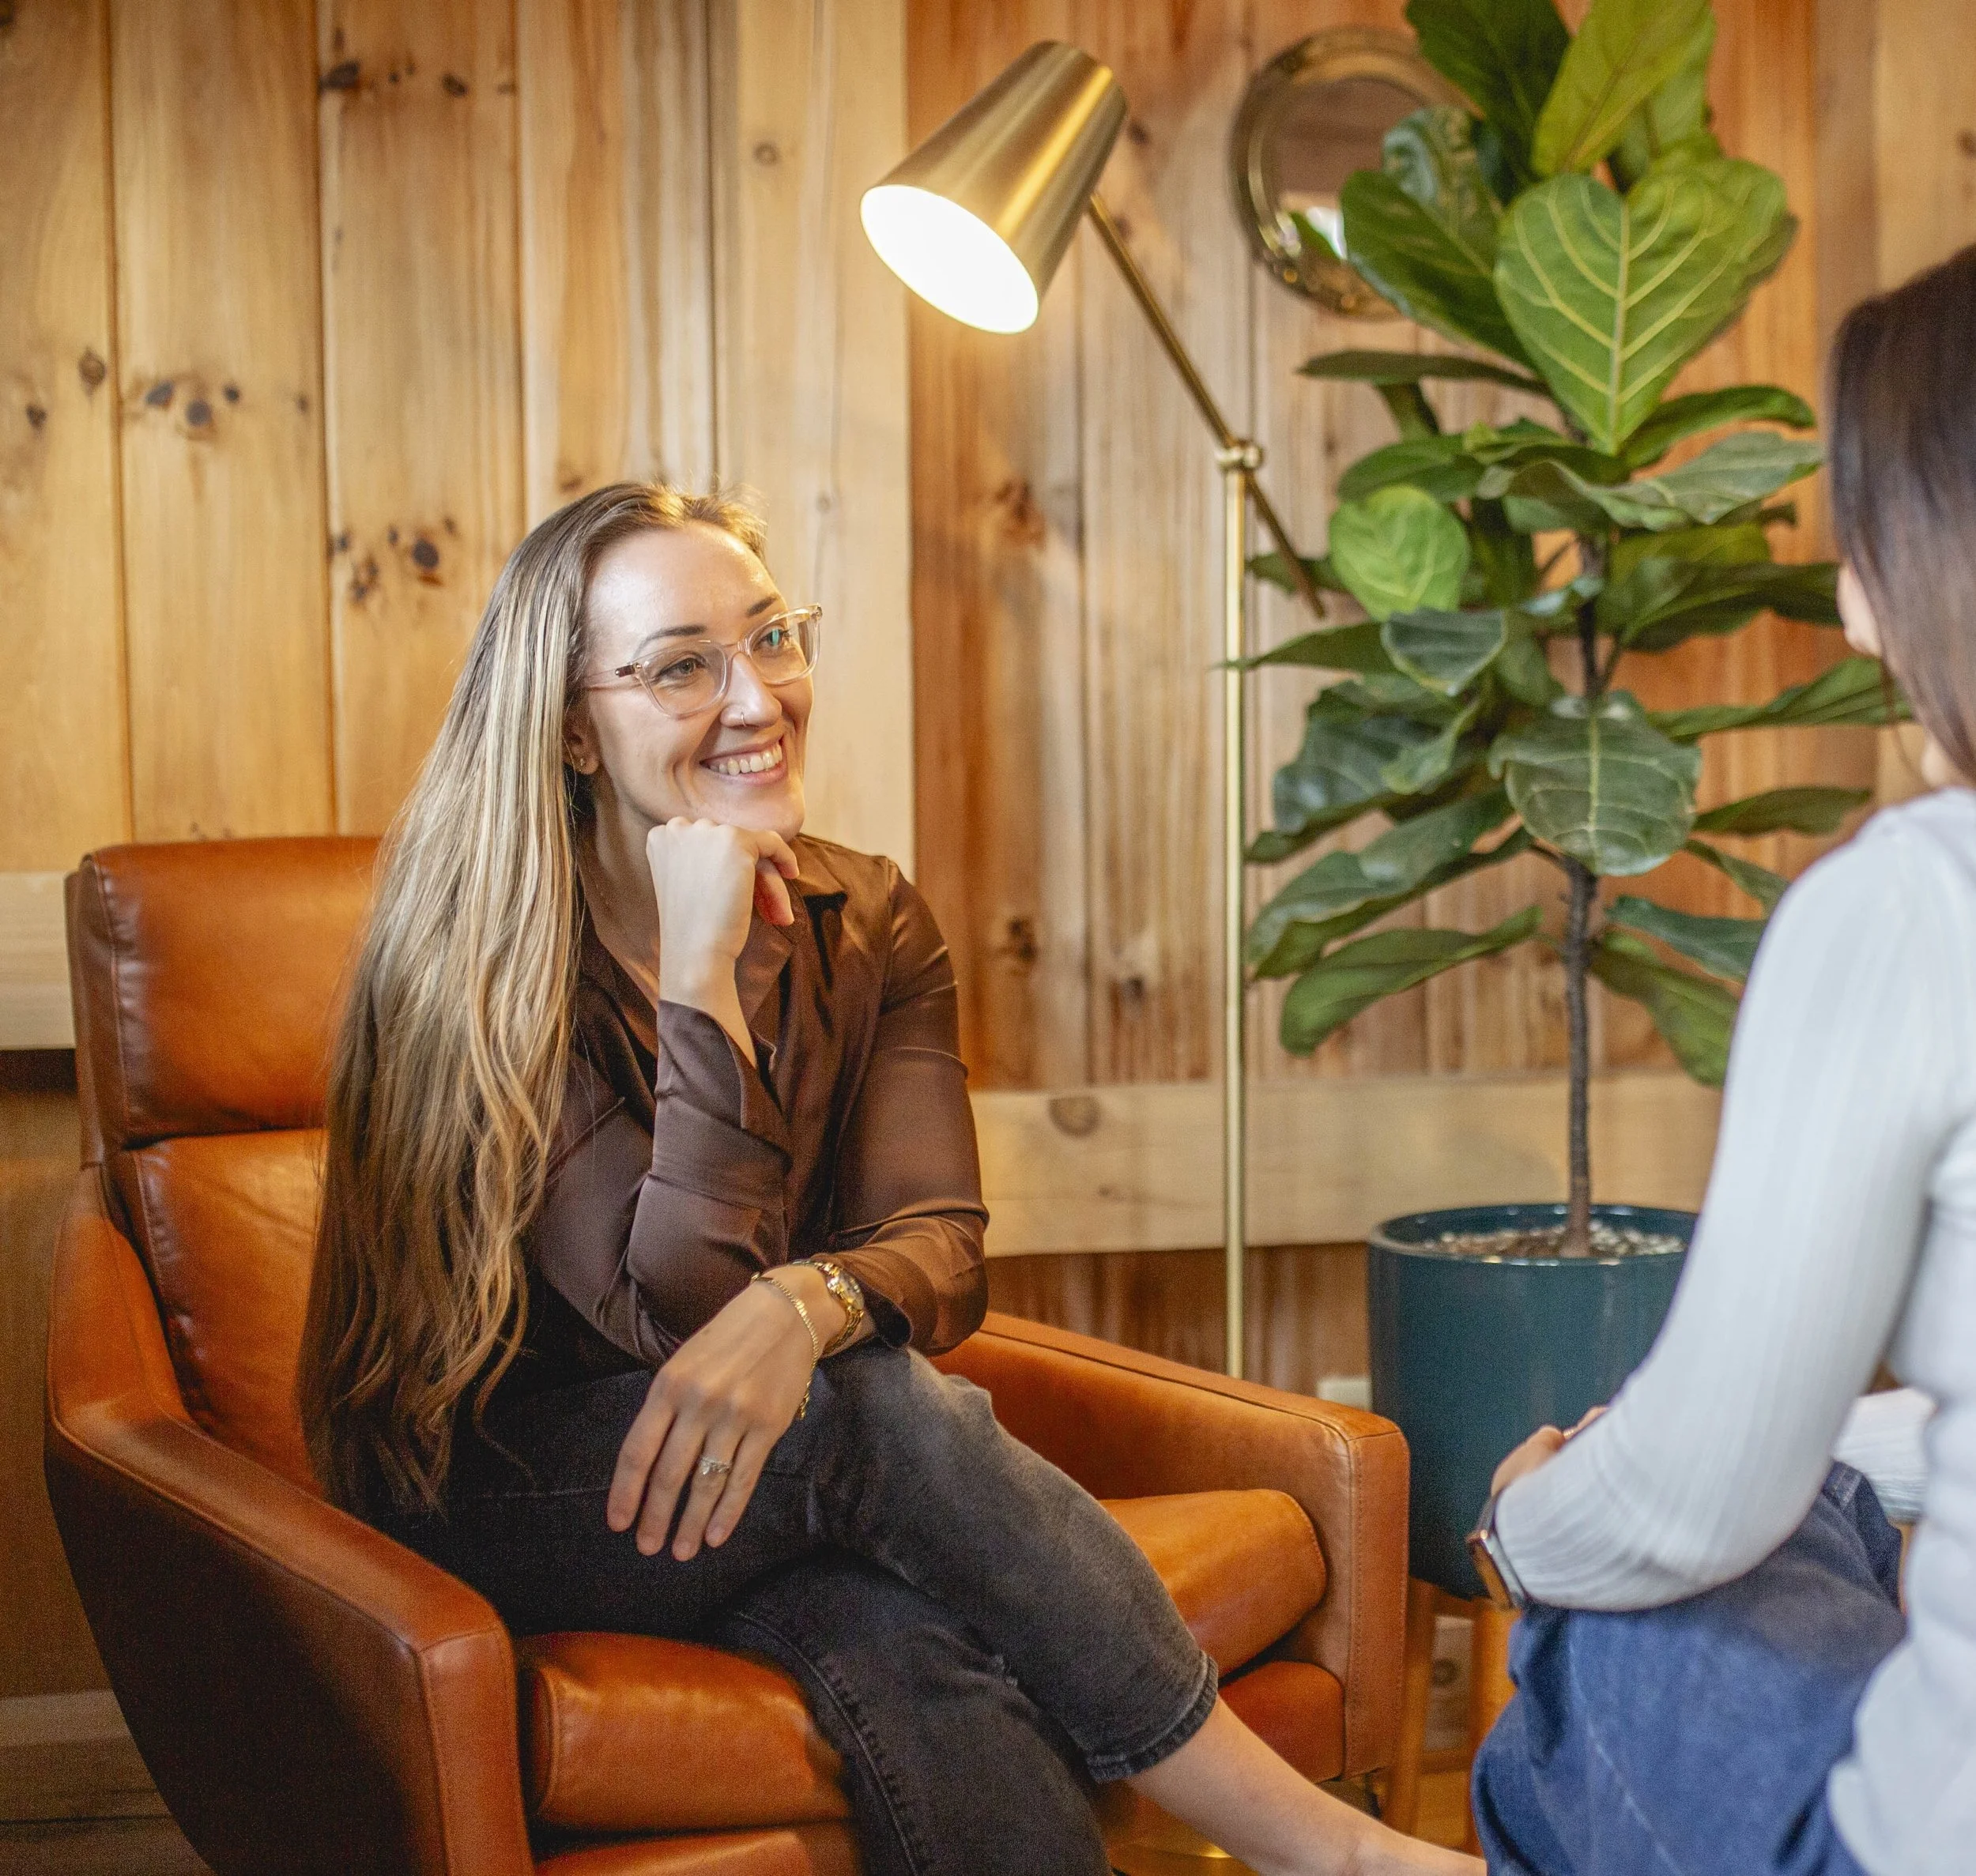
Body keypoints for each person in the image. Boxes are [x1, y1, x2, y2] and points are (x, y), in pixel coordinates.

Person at [296, 480, 1476, 1876]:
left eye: (773, 637)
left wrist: (810, 1302)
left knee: (910, 1638)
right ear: (570, 727)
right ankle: (1327, 1851)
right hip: (499, 1489)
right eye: (682, 665)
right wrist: (698, 983)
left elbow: (944, 1244)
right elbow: (666, 1314)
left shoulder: (870, 916)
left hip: (772, 1474)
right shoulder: (480, 962)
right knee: (861, 1403)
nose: (756, 697)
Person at [1466, 246, 1976, 1876]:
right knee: (1802, 1489)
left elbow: (1688, 1505)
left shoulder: (1913, 902)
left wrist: (1516, 1529)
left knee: (1587, 1627)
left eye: (1863, 548)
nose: (1844, 606)